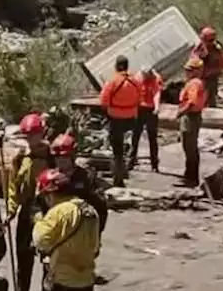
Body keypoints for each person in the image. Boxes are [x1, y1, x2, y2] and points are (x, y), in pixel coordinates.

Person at [5, 112, 52, 291]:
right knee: (23, 256)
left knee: (47, 257)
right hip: (26, 210)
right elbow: (13, 187)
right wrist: (10, 210)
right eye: (28, 137)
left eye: (34, 135)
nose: (31, 140)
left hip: (47, 210)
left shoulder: (53, 156)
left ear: (42, 133)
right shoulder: (20, 158)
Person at [48, 134, 109, 235]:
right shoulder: (50, 178)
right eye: (57, 157)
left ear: (72, 156)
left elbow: (101, 207)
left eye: (64, 157)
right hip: (57, 231)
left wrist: (95, 233)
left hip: (81, 231)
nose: (60, 161)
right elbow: (39, 205)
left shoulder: (86, 178)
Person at [98, 56, 142, 188]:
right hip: (131, 119)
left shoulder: (112, 81)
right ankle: (125, 170)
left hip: (116, 118)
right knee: (126, 146)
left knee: (117, 150)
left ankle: (118, 179)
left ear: (116, 66)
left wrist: (110, 110)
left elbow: (103, 101)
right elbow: (140, 99)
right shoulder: (136, 81)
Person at [177, 57, 209, 187]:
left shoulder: (195, 83)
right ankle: (189, 175)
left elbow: (192, 102)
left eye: (189, 70)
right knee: (188, 146)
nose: (186, 72)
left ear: (196, 71)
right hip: (191, 116)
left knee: (189, 147)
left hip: (191, 117)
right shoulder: (194, 82)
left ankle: (191, 177)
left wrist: (181, 112)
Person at [131, 67, 162, 172]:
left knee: (152, 137)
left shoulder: (155, 78)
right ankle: (131, 160)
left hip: (151, 110)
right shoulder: (137, 78)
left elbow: (156, 93)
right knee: (135, 136)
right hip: (139, 109)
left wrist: (157, 107)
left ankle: (154, 164)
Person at [190, 26, 223, 108]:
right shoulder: (200, 47)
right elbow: (193, 58)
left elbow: (222, 62)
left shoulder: (217, 49)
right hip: (201, 77)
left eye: (210, 40)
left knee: (210, 98)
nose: (208, 42)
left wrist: (215, 71)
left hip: (211, 77)